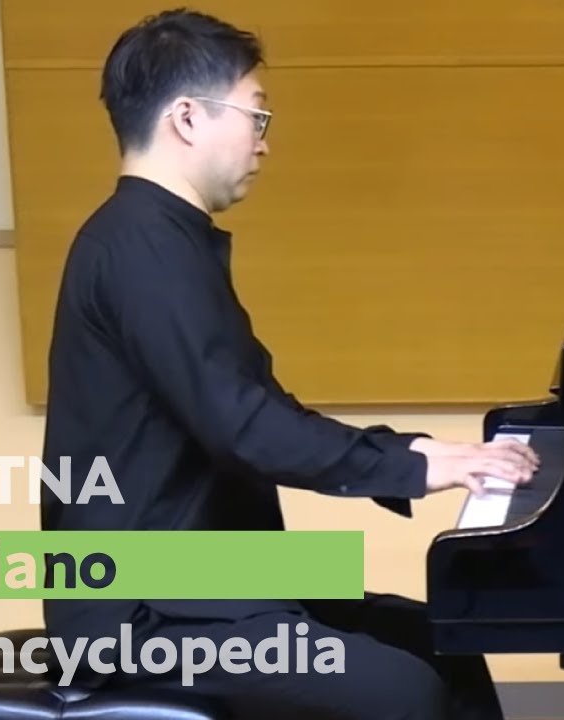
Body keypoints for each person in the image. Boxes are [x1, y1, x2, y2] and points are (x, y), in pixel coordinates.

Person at [38, 8, 538, 720]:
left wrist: (416, 451)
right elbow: (243, 427)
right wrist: (412, 466)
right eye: (256, 115)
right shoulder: (139, 249)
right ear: (188, 118)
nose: (264, 142)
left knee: (439, 639)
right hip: (139, 606)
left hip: (203, 575)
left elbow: (262, 410)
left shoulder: (163, 240)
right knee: (401, 692)